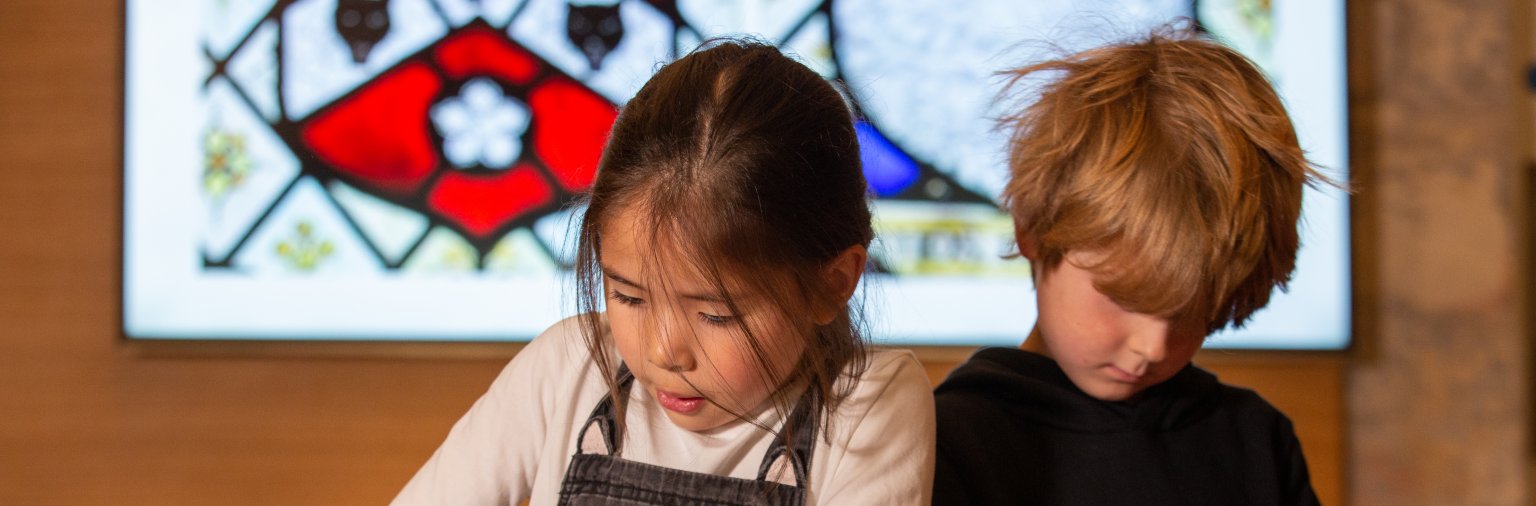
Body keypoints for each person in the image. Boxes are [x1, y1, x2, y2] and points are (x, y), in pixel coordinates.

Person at [394, 40, 934, 506]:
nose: (664, 350)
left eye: (715, 314)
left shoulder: (865, 403)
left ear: (831, 284)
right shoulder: (569, 367)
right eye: (628, 297)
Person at [933, 29, 1327, 505]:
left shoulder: (1255, 439)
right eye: (1126, 298)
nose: (1153, 347)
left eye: (1191, 311)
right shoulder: (949, 441)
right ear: (1033, 230)